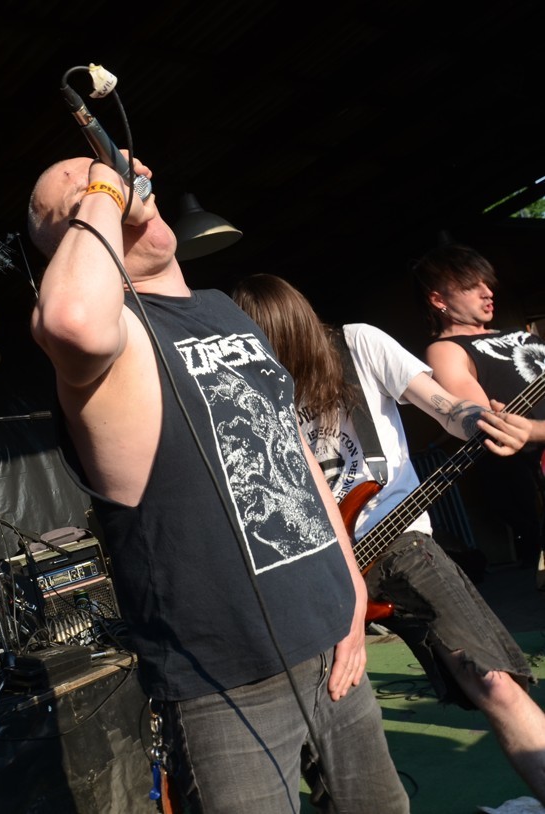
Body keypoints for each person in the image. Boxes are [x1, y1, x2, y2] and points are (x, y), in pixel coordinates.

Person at [27, 155, 408, 813]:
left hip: (328, 642)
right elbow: (73, 320)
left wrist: (349, 590)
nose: (113, 182)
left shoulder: (222, 310)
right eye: (85, 189)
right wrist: (103, 187)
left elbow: (296, 460)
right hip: (225, 686)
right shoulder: (111, 337)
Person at [231, 273, 543, 801]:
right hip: (318, 565)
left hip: (397, 540)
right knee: (320, 714)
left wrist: (479, 422)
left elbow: (443, 405)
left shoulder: (358, 343)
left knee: (492, 681)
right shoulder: (247, 385)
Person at [414, 243, 545, 578]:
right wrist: (531, 430)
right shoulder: (446, 350)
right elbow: (492, 425)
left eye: (487, 283)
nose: (487, 292)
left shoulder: (521, 334)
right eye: (471, 286)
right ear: (438, 300)